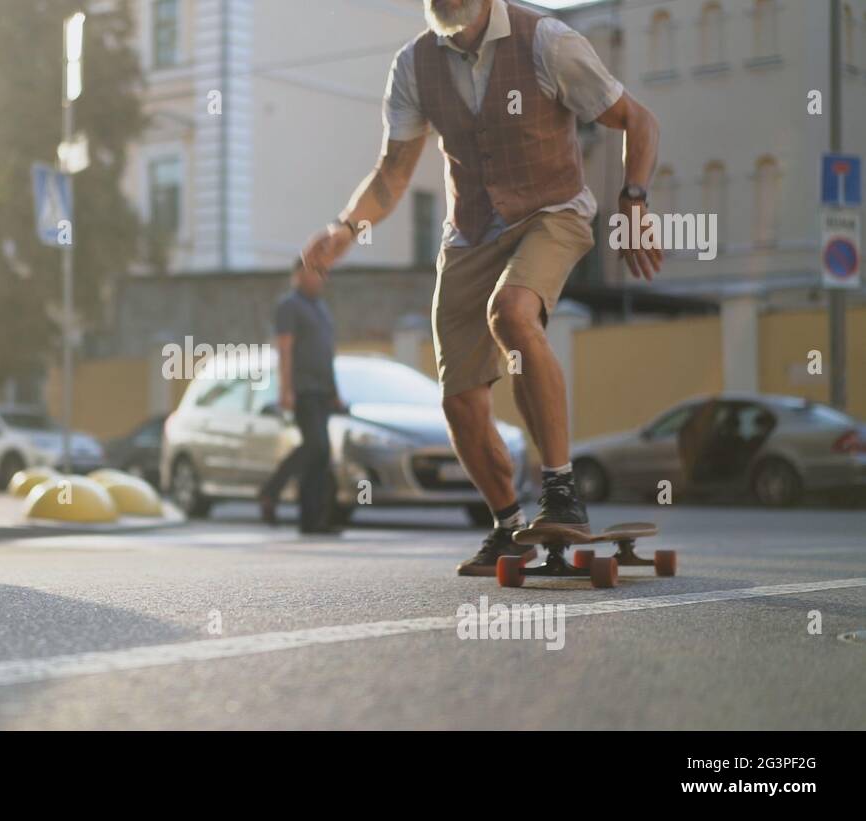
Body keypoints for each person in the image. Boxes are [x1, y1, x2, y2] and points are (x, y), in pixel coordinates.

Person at [298, 0, 661, 574]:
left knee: (512, 312)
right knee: (460, 397)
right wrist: (346, 228)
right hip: (468, 233)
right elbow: (393, 172)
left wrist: (634, 202)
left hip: (552, 212)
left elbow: (638, 119)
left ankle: (562, 489)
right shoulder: (414, 64)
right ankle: (507, 526)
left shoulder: (547, 40)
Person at [260, 259, 345, 534]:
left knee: (320, 455)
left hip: (322, 391)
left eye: (322, 273)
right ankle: (271, 490)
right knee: (317, 446)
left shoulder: (321, 308)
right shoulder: (289, 306)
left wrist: (335, 392)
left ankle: (312, 521)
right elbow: (285, 349)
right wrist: (285, 390)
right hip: (302, 390)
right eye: (314, 272)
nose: (320, 278)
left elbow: (327, 353)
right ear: (298, 274)